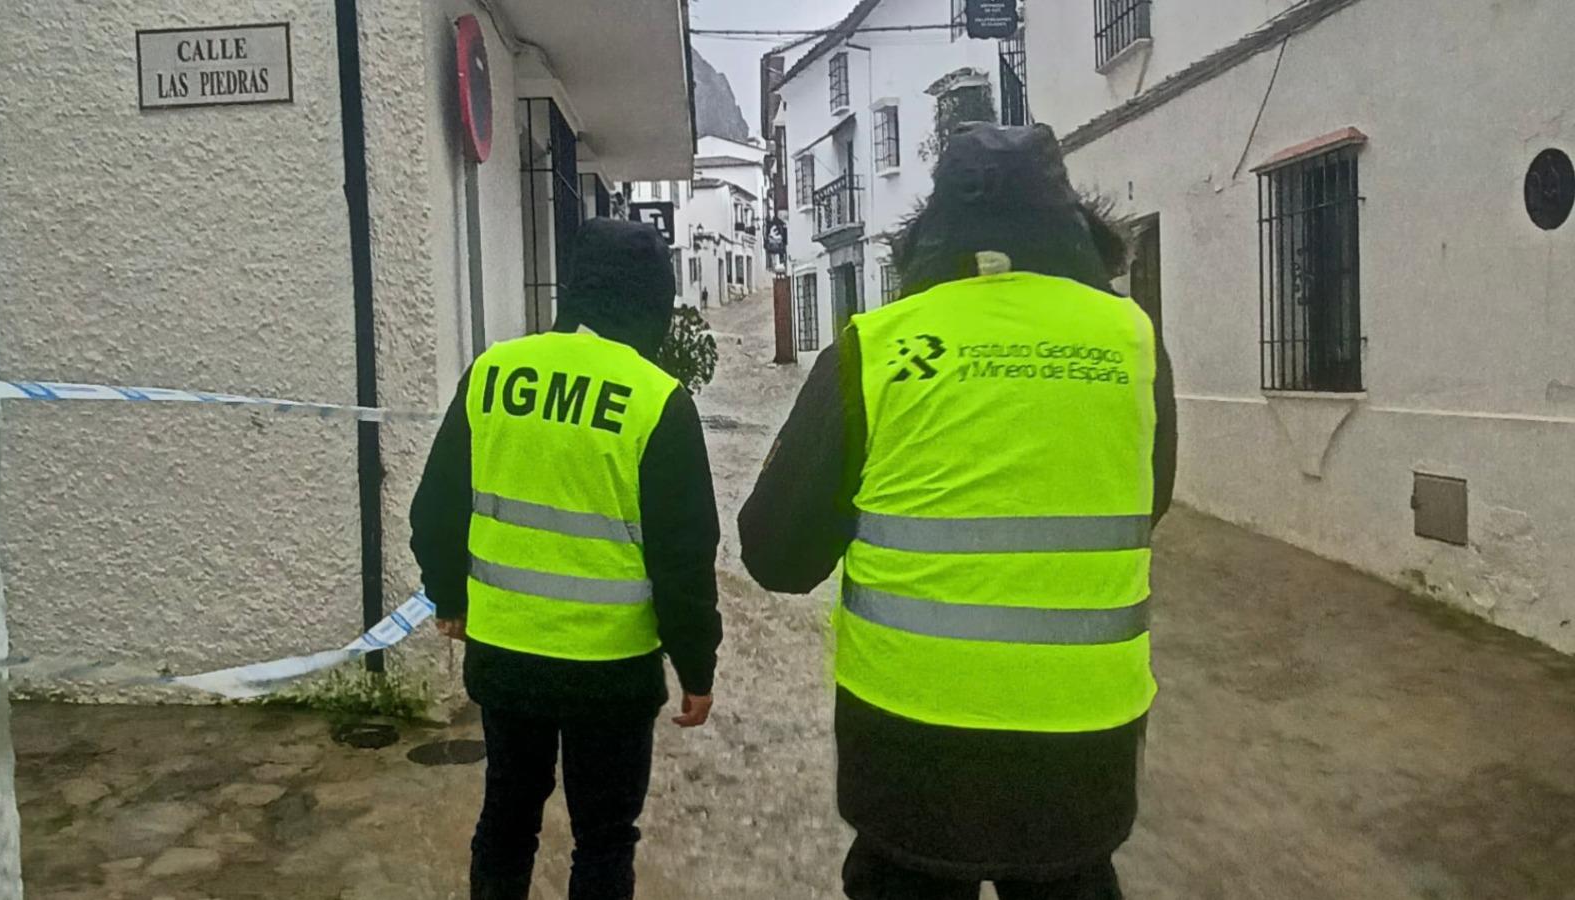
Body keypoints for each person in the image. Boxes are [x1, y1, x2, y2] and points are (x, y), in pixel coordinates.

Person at [739, 123, 1178, 900]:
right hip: (1085, 741)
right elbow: (1150, 499)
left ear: (930, 229)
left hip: (908, 742)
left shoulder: (878, 347)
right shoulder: (1133, 342)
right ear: (1075, 222)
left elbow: (776, 553)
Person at [410, 218, 723, 900]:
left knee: (507, 819)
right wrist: (697, 664)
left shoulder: (491, 373)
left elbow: (434, 509)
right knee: (605, 839)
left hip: (505, 655)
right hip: (609, 673)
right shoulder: (657, 400)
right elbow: (685, 558)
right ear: (652, 303)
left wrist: (450, 600)